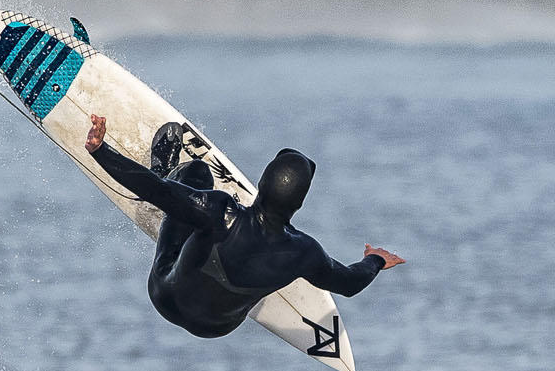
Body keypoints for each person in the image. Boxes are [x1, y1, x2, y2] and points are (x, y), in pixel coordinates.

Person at [83, 115, 405, 339]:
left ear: (260, 187)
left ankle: (167, 167)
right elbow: (349, 283)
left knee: (195, 174)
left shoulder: (219, 211)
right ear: (299, 205)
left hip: (165, 295)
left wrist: (101, 150)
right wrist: (375, 260)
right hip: (216, 328)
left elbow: (154, 189)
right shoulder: (305, 253)